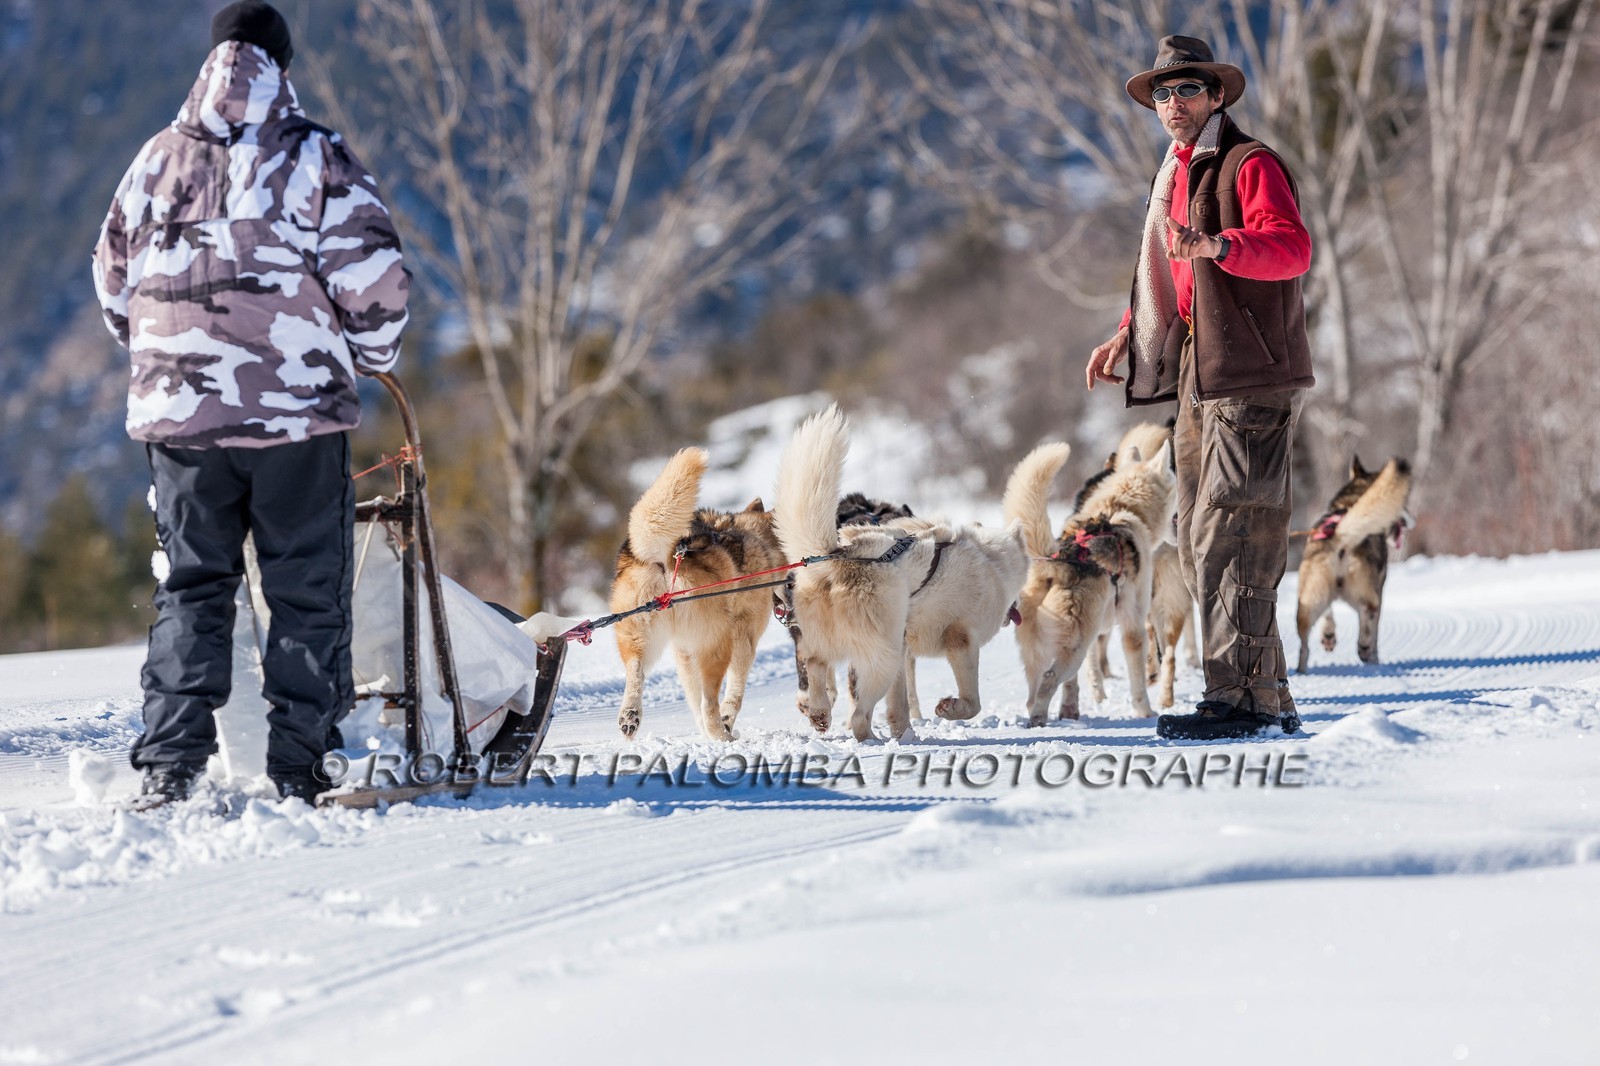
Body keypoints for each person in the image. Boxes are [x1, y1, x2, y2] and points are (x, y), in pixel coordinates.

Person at [91, 1, 409, 803]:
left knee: (193, 583)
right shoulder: (314, 155)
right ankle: (302, 764)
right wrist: (371, 358)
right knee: (304, 585)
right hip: (295, 416)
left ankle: (170, 764)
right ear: (283, 67)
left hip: (180, 418)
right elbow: (374, 279)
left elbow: (112, 280)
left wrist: (166, 360)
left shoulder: (154, 159)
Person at [1085, 35, 1313, 741]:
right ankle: (1266, 696)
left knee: (1233, 532)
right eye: (1162, 93)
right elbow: (1175, 274)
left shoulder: (1248, 163)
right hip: (1199, 366)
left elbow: (1293, 248)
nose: (1173, 102)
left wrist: (1222, 245)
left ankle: (1239, 701)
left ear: (1216, 96)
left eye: (1187, 89)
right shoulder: (1179, 172)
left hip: (1250, 374)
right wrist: (1130, 331)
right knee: (1196, 535)